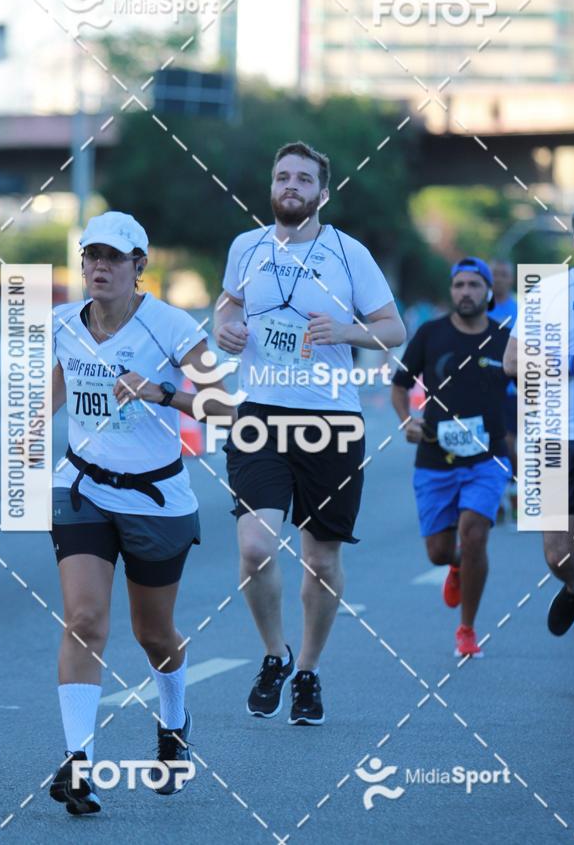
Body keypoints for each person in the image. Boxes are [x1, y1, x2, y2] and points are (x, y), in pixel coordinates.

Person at [213, 141, 405, 725]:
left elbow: (393, 329)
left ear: (322, 193)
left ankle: (308, 671)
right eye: (282, 177)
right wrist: (224, 327)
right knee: (254, 548)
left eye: (302, 178)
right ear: (272, 188)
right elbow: (228, 307)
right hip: (261, 417)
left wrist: (346, 330)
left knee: (320, 560)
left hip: (332, 420)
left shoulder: (349, 254)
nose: (290, 185)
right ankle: (275, 654)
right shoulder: (246, 247)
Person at [49, 211, 232, 814]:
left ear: (138, 267)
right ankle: (79, 766)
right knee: (83, 619)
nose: (99, 266)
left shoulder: (170, 326)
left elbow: (222, 407)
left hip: (156, 498)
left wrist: (159, 391)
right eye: (91, 256)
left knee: (153, 634)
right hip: (82, 490)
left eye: (113, 257)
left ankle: (174, 725)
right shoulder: (59, 326)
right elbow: (43, 402)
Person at [391, 257, 512, 658]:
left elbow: (534, 389)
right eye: (458, 285)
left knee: (475, 533)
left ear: (489, 292)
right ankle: (457, 565)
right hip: (434, 457)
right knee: (440, 552)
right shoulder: (430, 334)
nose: (465, 292)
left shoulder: (506, 339)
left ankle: (467, 628)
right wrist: (406, 420)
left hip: (487, 459)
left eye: (474, 286)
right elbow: (399, 385)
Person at [503, 202, 574, 693]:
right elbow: (513, 362)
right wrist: (573, 362)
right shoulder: (550, 292)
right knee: (557, 553)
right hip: (554, 434)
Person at [489, 259, 518, 521]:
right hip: (482, 388)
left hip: (512, 388)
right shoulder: (478, 307)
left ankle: (514, 487)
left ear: (511, 278)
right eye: (494, 274)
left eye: (503, 274)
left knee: (509, 443)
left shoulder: (521, 308)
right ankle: (494, 496)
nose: (498, 278)